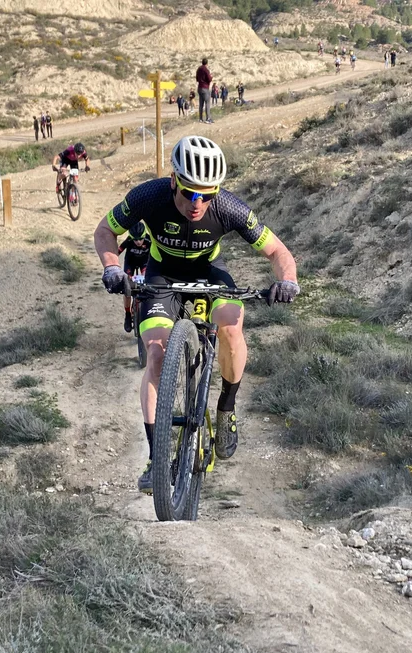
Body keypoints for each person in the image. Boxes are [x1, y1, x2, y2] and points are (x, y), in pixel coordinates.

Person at [94, 135, 299, 493]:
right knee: (156, 355)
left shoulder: (229, 207)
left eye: (207, 194)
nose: (197, 203)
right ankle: (157, 458)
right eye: (189, 192)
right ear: (174, 179)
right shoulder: (149, 196)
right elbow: (105, 231)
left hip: (210, 272)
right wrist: (112, 267)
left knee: (232, 328)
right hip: (162, 274)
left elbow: (277, 252)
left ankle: (226, 408)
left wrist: (288, 281)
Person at [118, 222, 152, 333]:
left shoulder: (149, 240)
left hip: (144, 263)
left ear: (144, 235)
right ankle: (127, 314)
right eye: (135, 239)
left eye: (141, 239)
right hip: (130, 263)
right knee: (127, 288)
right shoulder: (128, 240)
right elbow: (118, 251)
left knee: (147, 282)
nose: (138, 242)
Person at [196, 57, 213, 124]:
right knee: (207, 103)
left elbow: (197, 79)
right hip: (205, 88)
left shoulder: (199, 69)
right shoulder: (206, 70)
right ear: (207, 63)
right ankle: (208, 118)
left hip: (199, 87)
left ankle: (200, 118)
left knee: (201, 104)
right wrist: (211, 76)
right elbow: (209, 79)